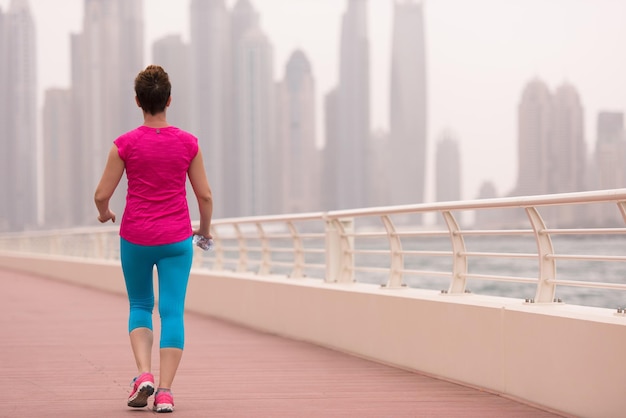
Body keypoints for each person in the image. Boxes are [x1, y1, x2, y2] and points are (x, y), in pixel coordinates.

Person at [94, 65, 213, 413]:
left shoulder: (125, 145)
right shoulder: (188, 143)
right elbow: (205, 196)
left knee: (140, 305)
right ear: (169, 100)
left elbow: (102, 194)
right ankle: (164, 392)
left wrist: (104, 214)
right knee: (172, 311)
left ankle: (143, 374)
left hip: (136, 236)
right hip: (176, 239)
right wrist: (204, 230)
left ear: (138, 101)